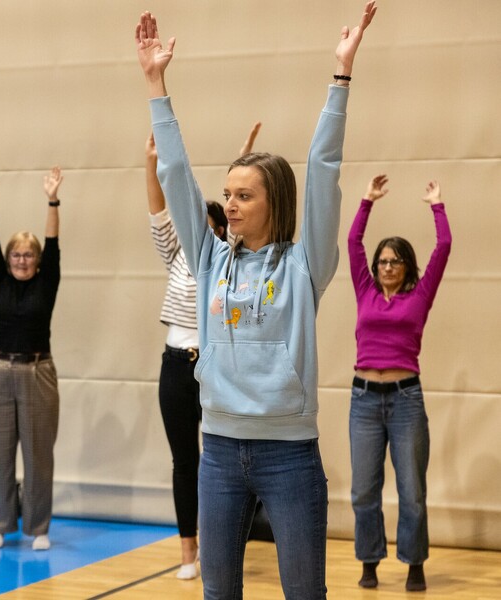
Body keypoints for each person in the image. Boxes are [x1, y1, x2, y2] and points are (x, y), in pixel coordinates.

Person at [134, 2, 377, 597]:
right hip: (218, 451)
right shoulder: (210, 257)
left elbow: (323, 169)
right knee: (218, 592)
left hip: (289, 455)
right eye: (228, 193)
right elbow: (175, 175)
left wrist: (341, 75)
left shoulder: (304, 263)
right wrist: (156, 84)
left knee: (304, 593)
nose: (231, 204)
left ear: (275, 201)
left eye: (245, 195)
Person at [142, 122, 260, 579]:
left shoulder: (226, 258)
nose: (200, 232)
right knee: (183, 461)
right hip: (175, 365)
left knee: (217, 460)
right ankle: (187, 550)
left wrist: (243, 157)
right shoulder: (176, 254)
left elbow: (234, 213)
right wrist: (150, 164)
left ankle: (217, 544)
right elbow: (158, 211)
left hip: (211, 368)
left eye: (210, 226)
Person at [348, 176, 451, 592]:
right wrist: (366, 202)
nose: (387, 266)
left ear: (407, 266)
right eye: (382, 261)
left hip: (406, 399)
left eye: (395, 261)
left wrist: (437, 206)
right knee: (363, 491)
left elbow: (443, 248)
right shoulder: (365, 291)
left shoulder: (419, 296)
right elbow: (353, 243)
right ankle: (369, 561)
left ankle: (414, 563)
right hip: (364, 400)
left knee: (412, 491)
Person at [0, 164, 62, 551]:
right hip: (0, 373)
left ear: (37, 260)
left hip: (37, 372)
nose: (22, 260)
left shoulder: (47, 282)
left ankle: (39, 528)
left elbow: (53, 242)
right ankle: (2, 524)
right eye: (16, 254)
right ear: (8, 259)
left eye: (28, 255)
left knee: (38, 456)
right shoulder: (0, 281)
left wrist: (53, 201)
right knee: (1, 453)